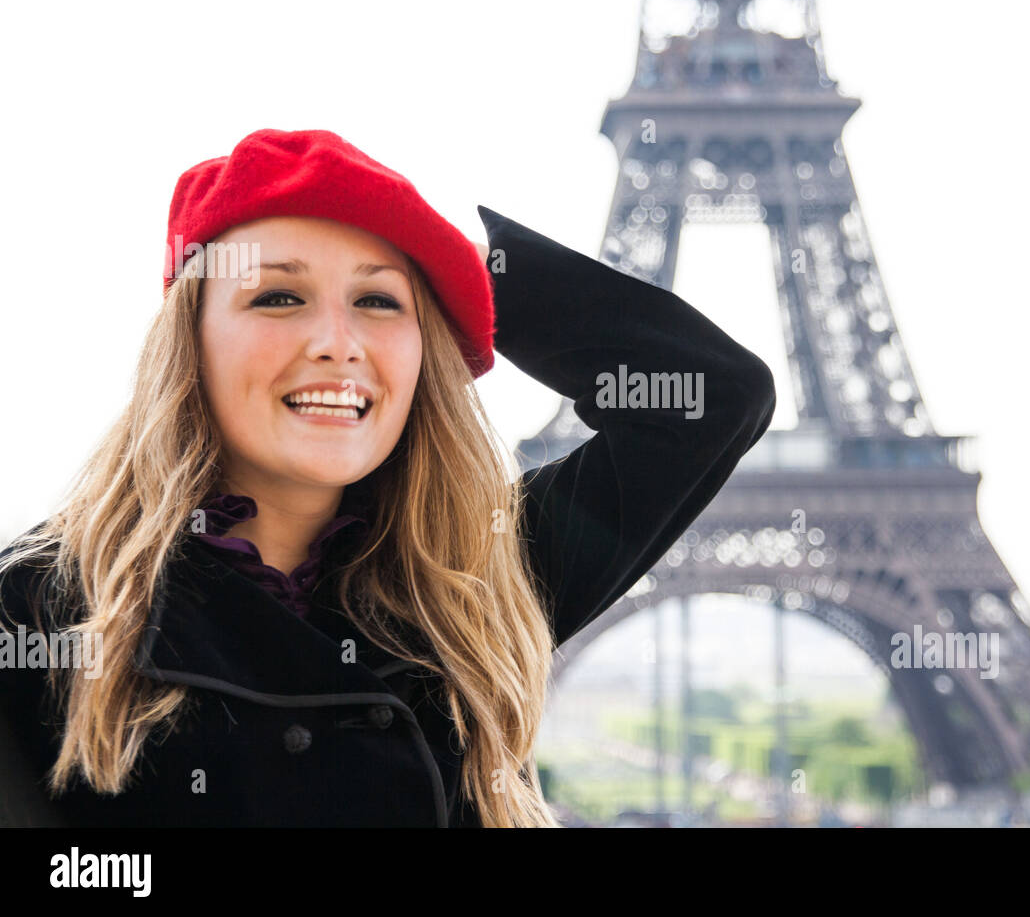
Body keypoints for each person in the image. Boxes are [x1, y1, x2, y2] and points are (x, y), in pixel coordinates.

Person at [0, 128, 776, 827]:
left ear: (424, 351)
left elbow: (711, 397)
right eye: (278, 296)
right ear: (189, 346)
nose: (338, 343)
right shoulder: (38, 613)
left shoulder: (472, 584)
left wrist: (461, 268)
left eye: (378, 300)